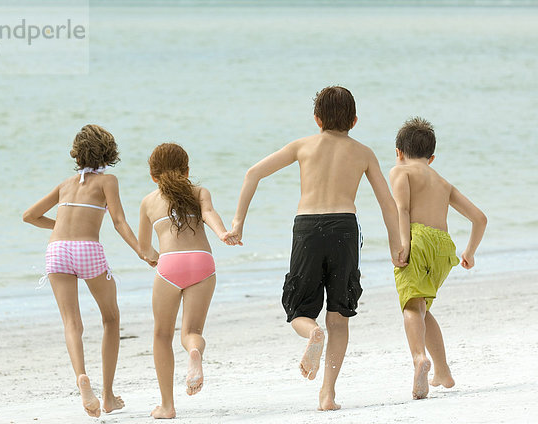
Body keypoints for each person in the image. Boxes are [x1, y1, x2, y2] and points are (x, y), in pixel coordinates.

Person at [225, 86, 407, 411]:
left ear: (316, 119)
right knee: (340, 315)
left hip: (307, 228)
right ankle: (328, 394)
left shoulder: (302, 146)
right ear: (354, 120)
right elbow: (386, 203)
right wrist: (397, 243)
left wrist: (237, 223)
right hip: (345, 229)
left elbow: (253, 173)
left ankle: (311, 332)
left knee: (298, 310)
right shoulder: (363, 152)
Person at [23, 124, 141, 417]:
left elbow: (29, 216)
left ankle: (81, 377)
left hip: (57, 251)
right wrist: (142, 250)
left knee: (71, 323)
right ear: (109, 153)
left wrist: (62, 226)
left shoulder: (65, 184)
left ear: (77, 153)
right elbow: (118, 222)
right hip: (87, 250)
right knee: (111, 318)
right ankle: (109, 395)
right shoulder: (108, 181)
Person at [138, 142, 238, 419]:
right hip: (201, 261)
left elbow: (144, 248)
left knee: (161, 334)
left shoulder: (148, 201)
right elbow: (208, 214)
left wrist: (152, 258)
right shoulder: (200, 192)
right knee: (191, 331)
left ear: (153, 176)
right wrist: (222, 233)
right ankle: (194, 351)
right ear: (187, 170)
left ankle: (167, 406)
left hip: (170, 264)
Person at [389, 117, 487, 400]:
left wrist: (404, 244)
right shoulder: (443, 183)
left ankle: (419, 358)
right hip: (444, 248)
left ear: (399, 151)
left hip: (417, 240)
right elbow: (480, 218)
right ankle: (442, 371)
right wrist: (468, 252)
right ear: (431, 157)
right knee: (421, 307)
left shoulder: (400, 170)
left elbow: (403, 209)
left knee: (410, 304)